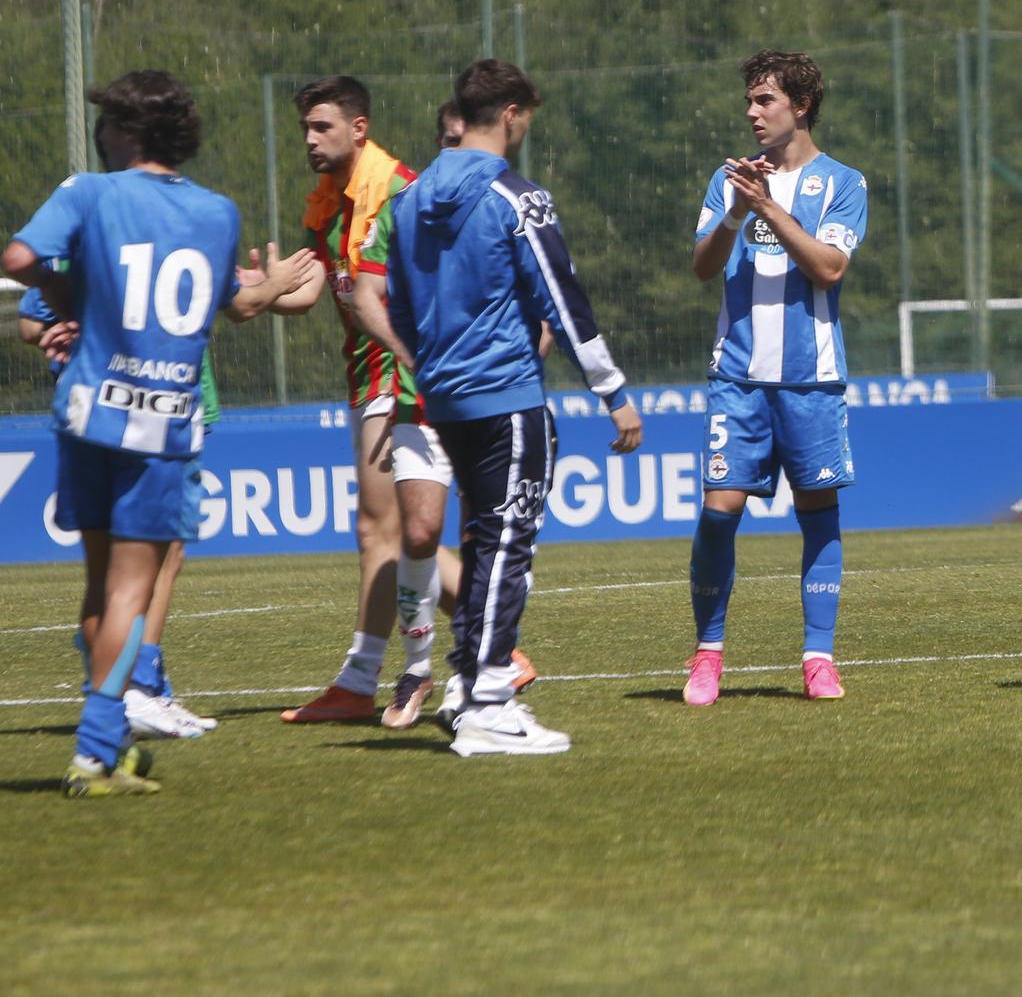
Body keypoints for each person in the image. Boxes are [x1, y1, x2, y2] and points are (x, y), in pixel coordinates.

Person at [2, 69, 312, 795]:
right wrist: (279, 284)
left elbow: (18, 260)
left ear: (130, 131)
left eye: (108, 122)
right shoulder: (216, 212)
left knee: (98, 587)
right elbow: (235, 306)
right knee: (130, 596)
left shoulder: (88, 191)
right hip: (162, 417)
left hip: (88, 412)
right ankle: (94, 751)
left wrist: (59, 296)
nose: (101, 134)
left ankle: (106, 745)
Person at [388, 58, 641, 756]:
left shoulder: (408, 201)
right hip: (507, 395)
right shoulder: (516, 196)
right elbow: (562, 297)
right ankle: (490, 702)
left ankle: (471, 686)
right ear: (511, 114)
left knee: (483, 541)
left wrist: (435, 368)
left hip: (443, 397)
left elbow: (400, 308)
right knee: (508, 544)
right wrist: (613, 392)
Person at [267, 76, 478, 728]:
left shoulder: (398, 190)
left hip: (397, 370)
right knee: (393, 532)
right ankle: (494, 642)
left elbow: (421, 292)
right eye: (304, 127)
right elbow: (311, 291)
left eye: (321, 126)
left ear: (359, 128)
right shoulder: (328, 198)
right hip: (364, 373)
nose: (309, 138)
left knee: (382, 530)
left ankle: (366, 678)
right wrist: (255, 291)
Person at [685, 50, 867, 705]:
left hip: (810, 379)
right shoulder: (728, 178)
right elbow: (704, 268)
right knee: (718, 512)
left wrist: (767, 209)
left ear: (802, 105)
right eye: (749, 101)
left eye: (765, 100)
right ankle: (708, 654)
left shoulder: (843, 183)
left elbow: (829, 268)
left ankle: (818, 656)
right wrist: (737, 209)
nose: (752, 112)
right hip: (737, 379)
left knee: (818, 511)